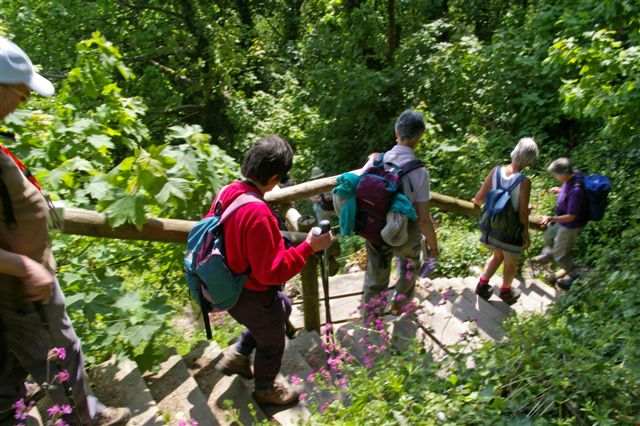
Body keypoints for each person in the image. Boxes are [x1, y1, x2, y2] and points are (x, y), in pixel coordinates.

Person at [0, 37, 129, 425]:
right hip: (23, 291)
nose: (24, 101)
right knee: (60, 356)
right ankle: (84, 418)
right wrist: (26, 267)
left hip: (16, 292)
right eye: (21, 92)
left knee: (10, 362)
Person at [212, 136, 333, 406]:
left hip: (227, 284)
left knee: (285, 307)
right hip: (252, 294)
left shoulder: (228, 192)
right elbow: (272, 273)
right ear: (275, 178)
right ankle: (265, 388)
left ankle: (240, 354)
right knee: (273, 341)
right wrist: (309, 247)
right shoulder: (258, 213)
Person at [362, 110, 439, 314]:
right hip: (404, 230)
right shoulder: (419, 172)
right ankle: (400, 305)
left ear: (397, 132)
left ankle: (372, 315)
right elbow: (423, 218)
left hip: (375, 227)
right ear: (419, 137)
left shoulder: (376, 160)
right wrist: (433, 246)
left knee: (376, 272)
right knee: (409, 265)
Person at [472, 137, 539, 304]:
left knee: (497, 255)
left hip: (492, 226)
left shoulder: (495, 171)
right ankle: (506, 291)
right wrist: (525, 234)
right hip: (510, 231)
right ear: (529, 161)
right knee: (511, 262)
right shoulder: (524, 182)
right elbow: (522, 213)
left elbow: (479, 198)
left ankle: (482, 285)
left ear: (515, 151)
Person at [532, 158, 587, 289]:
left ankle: (574, 274)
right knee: (549, 235)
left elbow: (571, 217)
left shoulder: (576, 191)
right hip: (562, 221)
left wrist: (551, 218)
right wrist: (560, 190)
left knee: (560, 256)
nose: (555, 177)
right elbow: (567, 190)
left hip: (570, 225)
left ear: (564, 173)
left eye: (556, 175)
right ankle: (551, 256)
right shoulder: (572, 176)